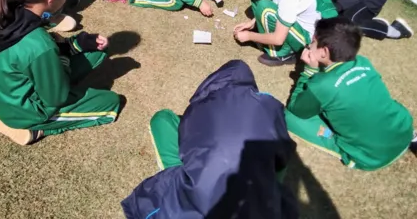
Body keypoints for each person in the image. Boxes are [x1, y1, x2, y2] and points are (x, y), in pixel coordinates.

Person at [0, 0, 122, 145]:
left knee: (97, 51)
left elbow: (36, 54)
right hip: (27, 112)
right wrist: (64, 61)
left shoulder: (11, 11)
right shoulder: (40, 44)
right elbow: (56, 97)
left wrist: (77, 44)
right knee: (110, 103)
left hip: (10, 95)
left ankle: (24, 116)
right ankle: (35, 129)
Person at [121, 60, 298, 218]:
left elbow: (187, 146)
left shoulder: (200, 108)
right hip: (261, 205)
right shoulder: (270, 106)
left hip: (201, 201)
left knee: (165, 125)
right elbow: (284, 155)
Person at [285, 17, 417, 170]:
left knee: (288, 116)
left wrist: (309, 70)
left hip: (371, 157)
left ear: (324, 52)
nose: (309, 46)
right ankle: (416, 139)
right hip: (404, 130)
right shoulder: (363, 62)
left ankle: (340, 144)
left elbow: (296, 108)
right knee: (374, 102)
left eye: (313, 42)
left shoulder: (320, 85)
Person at [233, 0, 337, 67]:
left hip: (304, 37)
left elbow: (278, 38)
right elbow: (277, 5)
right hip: (292, 22)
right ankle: (264, 37)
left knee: (265, 7)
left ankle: (282, 54)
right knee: (261, 1)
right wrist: (252, 23)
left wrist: (249, 36)